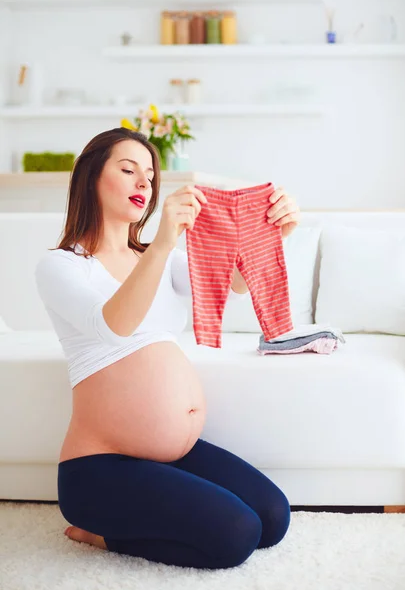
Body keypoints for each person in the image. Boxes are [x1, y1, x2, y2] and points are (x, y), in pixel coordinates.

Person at [35, 127, 301, 570]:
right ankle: (97, 532)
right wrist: (162, 241)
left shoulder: (157, 258)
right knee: (236, 536)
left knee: (273, 517)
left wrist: (277, 231)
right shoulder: (62, 266)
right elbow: (113, 325)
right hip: (101, 469)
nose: (145, 182)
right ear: (90, 177)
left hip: (175, 455)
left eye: (150, 176)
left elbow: (232, 284)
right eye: (128, 170)